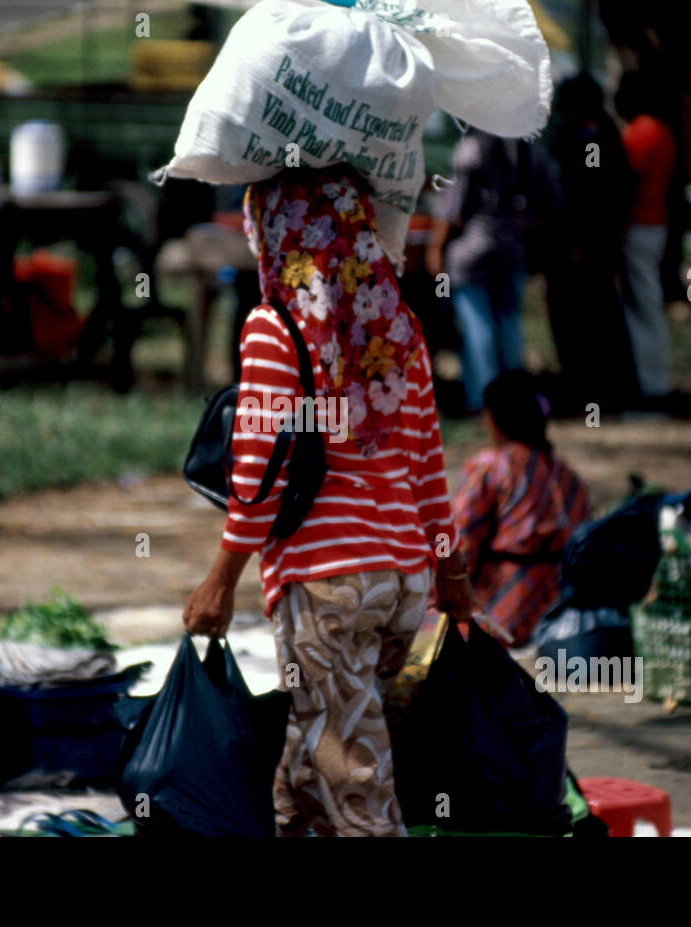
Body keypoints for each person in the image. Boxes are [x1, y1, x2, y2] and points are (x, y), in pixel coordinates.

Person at [182, 165, 476, 837]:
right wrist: (451, 574)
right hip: (402, 583)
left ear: (272, 233)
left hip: (328, 587)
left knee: (359, 797)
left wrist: (220, 580)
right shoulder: (397, 327)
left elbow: (257, 471)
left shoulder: (274, 327)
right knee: (304, 763)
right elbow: (429, 467)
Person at [426, 130, 562, 414]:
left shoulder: (472, 149)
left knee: (477, 327)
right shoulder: (532, 150)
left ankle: (484, 401)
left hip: (473, 250)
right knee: (510, 326)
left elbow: (453, 211)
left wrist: (435, 248)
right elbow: (550, 203)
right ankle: (514, 401)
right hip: (512, 247)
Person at [452, 370, 589, 648]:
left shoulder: (491, 467)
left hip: (505, 614)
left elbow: (462, 543)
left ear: (493, 419)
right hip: (561, 610)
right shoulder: (566, 474)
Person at [544, 74, 639, 412]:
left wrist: (576, 239)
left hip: (581, 247)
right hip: (598, 246)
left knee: (579, 320)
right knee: (600, 316)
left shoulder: (588, 138)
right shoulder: (606, 133)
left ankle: (587, 390)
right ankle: (602, 388)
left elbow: (586, 193)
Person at [615, 72, 678, 406]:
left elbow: (627, 183)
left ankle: (650, 387)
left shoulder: (639, 133)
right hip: (656, 225)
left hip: (638, 225)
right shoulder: (663, 131)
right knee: (648, 306)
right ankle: (653, 383)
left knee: (642, 309)